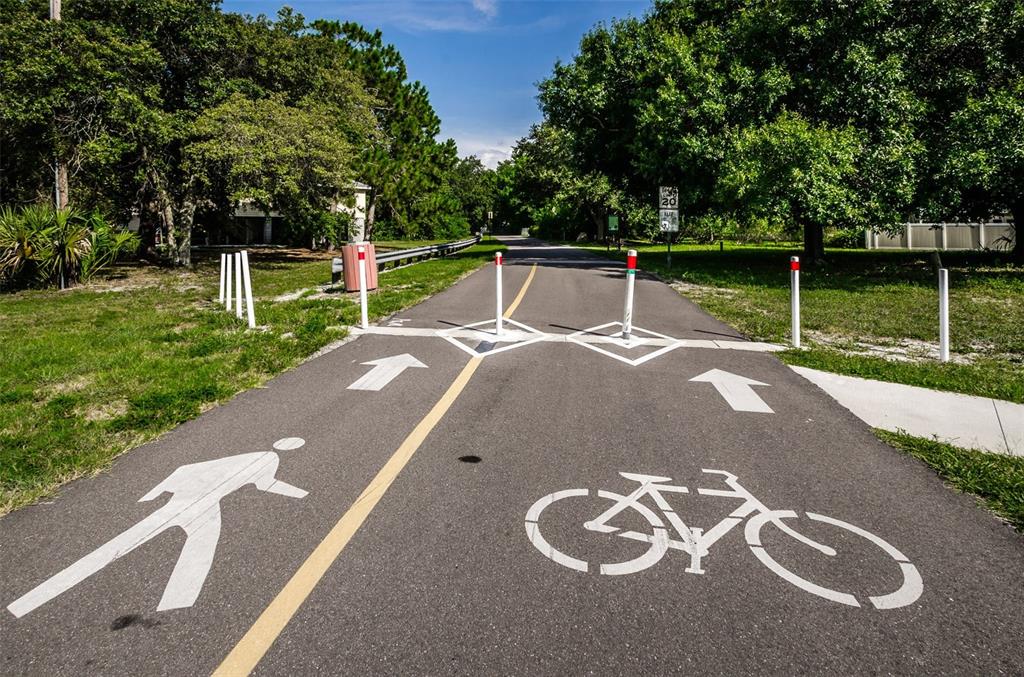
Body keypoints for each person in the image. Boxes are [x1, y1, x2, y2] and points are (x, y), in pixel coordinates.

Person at [8, 438, 308, 618]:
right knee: (200, 544)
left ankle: (37, 596)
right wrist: (300, 494)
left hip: (189, 498)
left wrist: (155, 492)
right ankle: (175, 602)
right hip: (201, 502)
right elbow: (265, 484)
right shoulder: (267, 458)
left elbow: (188, 469)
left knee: (128, 541)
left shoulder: (260, 455)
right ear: (292, 447)